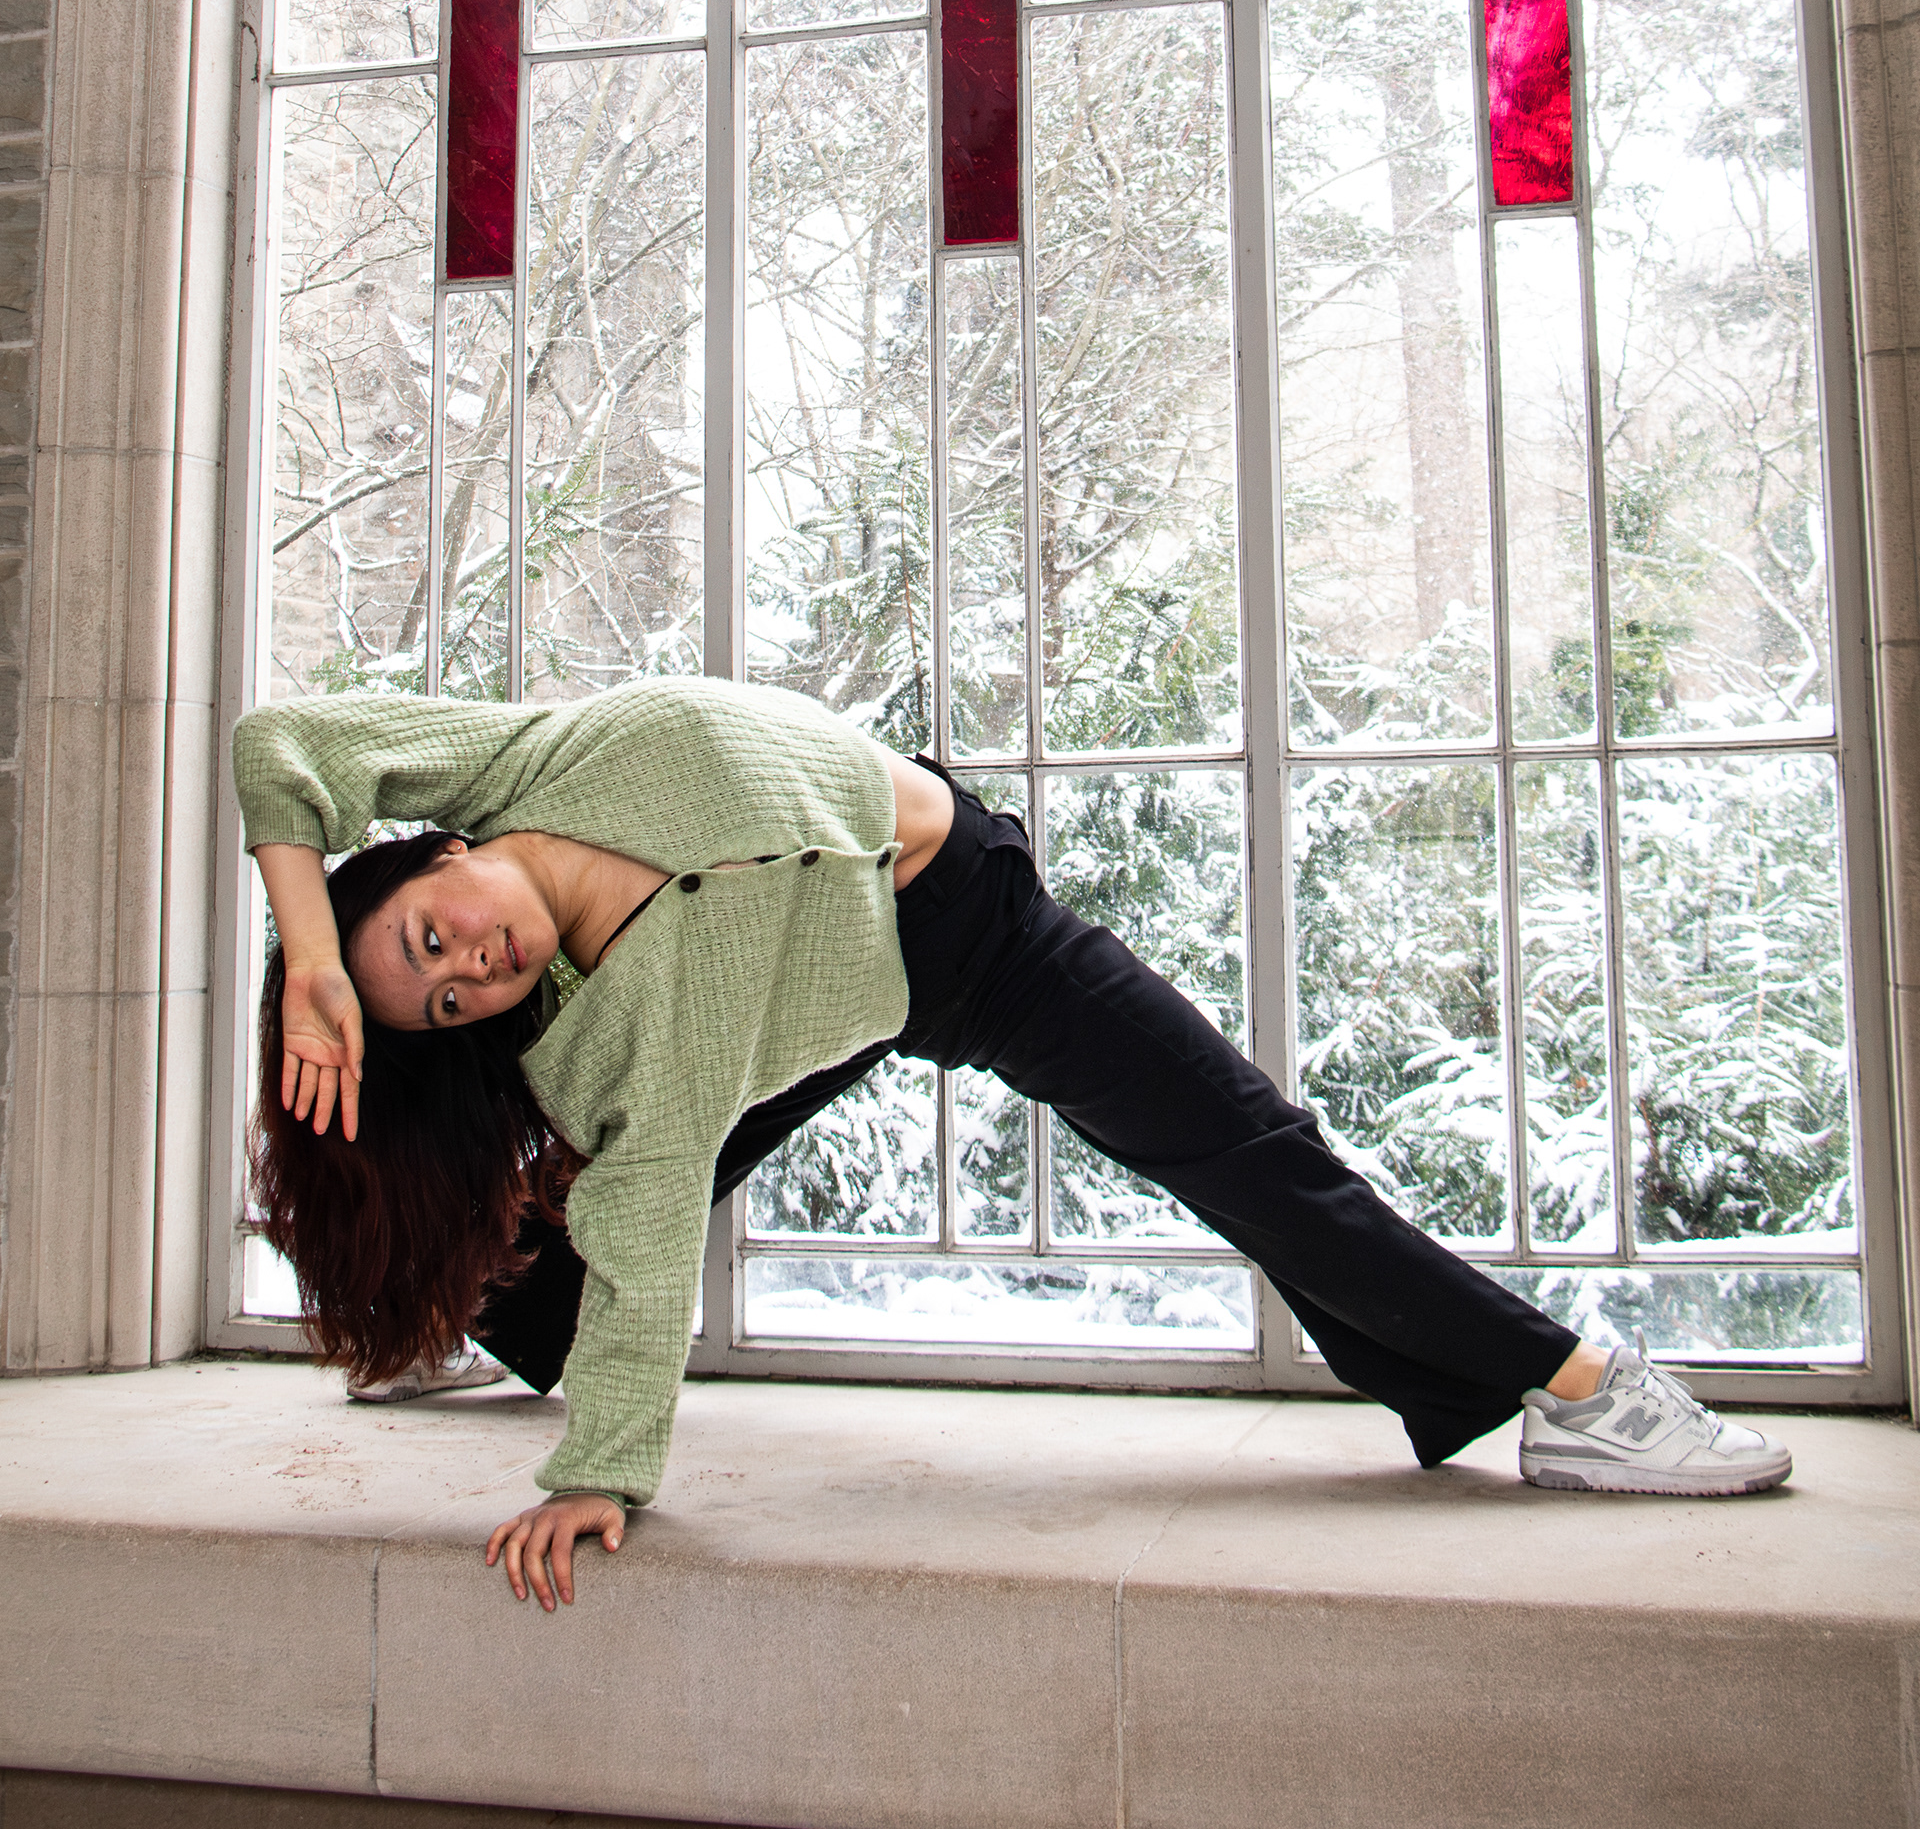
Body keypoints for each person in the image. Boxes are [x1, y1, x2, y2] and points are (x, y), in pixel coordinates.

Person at [240, 676, 1791, 1611]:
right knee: (1255, 1149)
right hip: (916, 974)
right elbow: (648, 1244)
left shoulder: (511, 761)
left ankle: (488, 1312)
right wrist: (602, 1477)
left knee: (1233, 1150)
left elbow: (282, 739)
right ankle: (1576, 1393)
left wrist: (318, 958)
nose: (469, 970)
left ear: (434, 854)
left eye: (431, 937)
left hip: (948, 900)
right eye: (444, 1004)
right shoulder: (627, 1048)